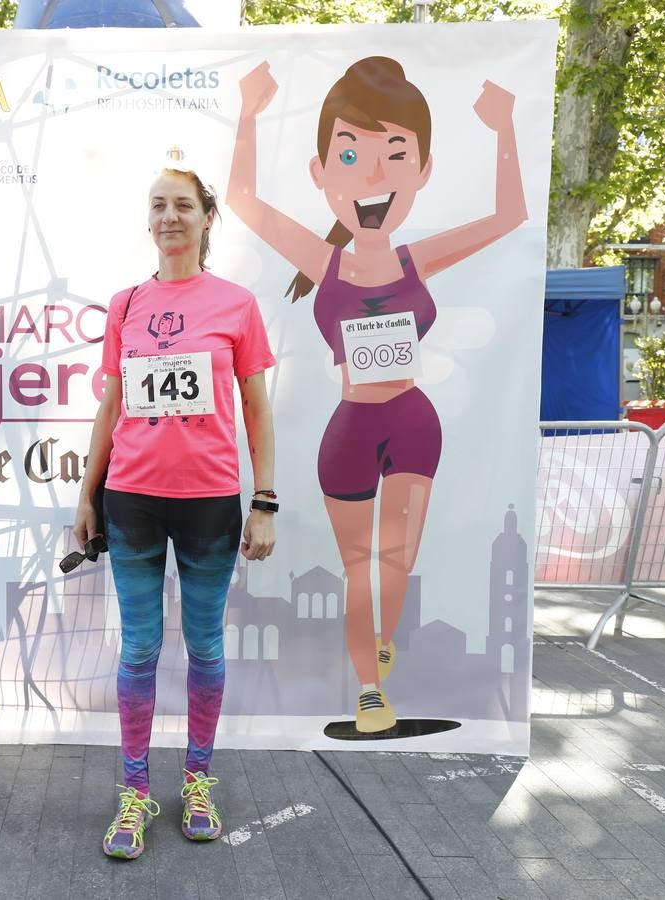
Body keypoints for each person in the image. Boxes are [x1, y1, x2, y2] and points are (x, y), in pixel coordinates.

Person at [228, 57, 527, 733]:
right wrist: (248, 113)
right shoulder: (322, 259)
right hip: (352, 431)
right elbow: (244, 202)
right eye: (351, 153)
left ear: (422, 171)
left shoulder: (419, 260)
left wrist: (505, 127)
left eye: (396, 155)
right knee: (357, 563)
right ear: (321, 172)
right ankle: (370, 688)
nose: (373, 174)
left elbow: (510, 214)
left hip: (414, 423)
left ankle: (383, 638)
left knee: (397, 562)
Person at [75, 164, 277, 860]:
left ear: (206, 218)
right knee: (137, 648)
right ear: (148, 218)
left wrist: (266, 502)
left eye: (183, 205)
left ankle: (197, 781)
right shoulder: (125, 304)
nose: (169, 216)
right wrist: (85, 492)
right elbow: (110, 405)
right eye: (158, 204)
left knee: (206, 647)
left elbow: (256, 407)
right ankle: (135, 791)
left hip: (211, 502)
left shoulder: (236, 305)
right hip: (131, 497)